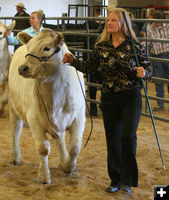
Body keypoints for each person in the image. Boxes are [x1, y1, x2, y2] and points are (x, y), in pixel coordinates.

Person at [62, 7, 152, 194]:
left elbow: (148, 70)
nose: (108, 23)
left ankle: (127, 181)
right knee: (113, 140)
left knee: (128, 137)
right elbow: (90, 67)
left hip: (131, 97)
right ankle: (115, 179)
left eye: (113, 20)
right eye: (107, 20)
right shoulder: (100, 46)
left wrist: (143, 73)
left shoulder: (135, 46)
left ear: (122, 24)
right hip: (109, 98)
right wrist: (73, 61)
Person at [147, 11, 169, 111]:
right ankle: (161, 104)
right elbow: (146, 41)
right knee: (159, 81)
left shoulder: (167, 26)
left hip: (168, 54)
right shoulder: (150, 28)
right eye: (155, 22)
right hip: (156, 56)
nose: (156, 24)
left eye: (158, 22)